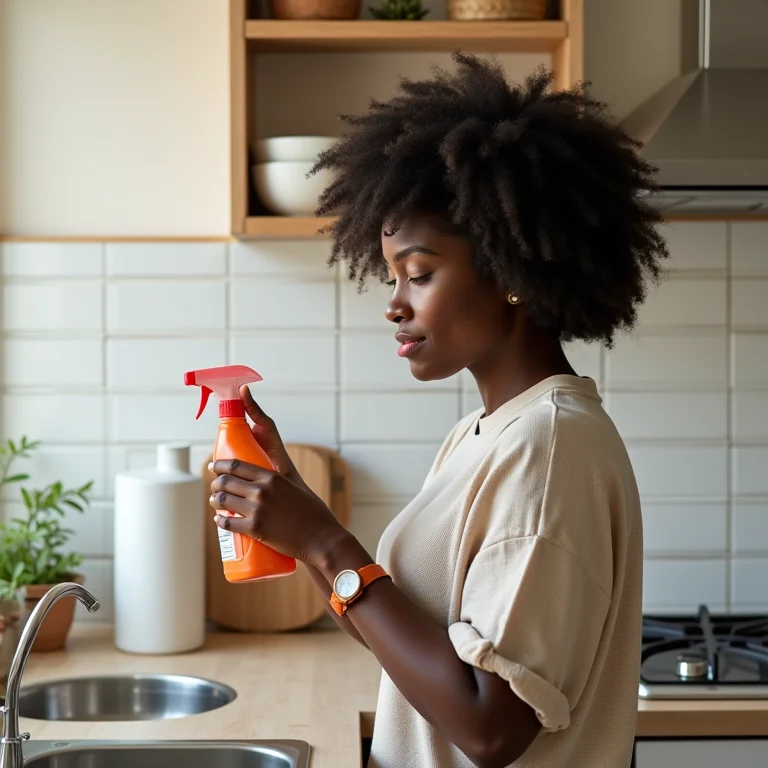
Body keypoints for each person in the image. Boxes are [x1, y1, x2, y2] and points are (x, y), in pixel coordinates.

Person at [209, 53, 668, 768]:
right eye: (392, 276)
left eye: (419, 274)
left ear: (509, 271)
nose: (393, 303)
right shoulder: (482, 435)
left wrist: (329, 543)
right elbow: (404, 642)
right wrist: (299, 521)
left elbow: (491, 728)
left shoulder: (548, 450)